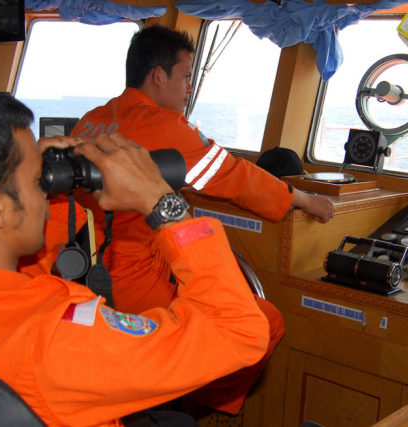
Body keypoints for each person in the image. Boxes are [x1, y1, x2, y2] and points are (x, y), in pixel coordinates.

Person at [0, 89, 270, 427]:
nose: (45, 188)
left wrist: (55, 187)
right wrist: (161, 202)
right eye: (38, 179)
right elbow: (238, 332)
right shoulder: (59, 341)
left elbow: (17, 272)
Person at [70, 25, 334, 414]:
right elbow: (232, 176)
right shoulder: (165, 125)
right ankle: (190, 401)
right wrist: (305, 199)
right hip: (129, 278)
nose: (189, 88)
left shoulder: (92, 119)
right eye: (186, 77)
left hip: (84, 269)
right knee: (263, 322)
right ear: (158, 76)